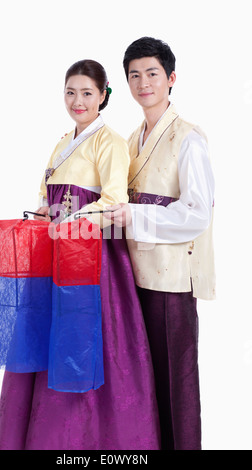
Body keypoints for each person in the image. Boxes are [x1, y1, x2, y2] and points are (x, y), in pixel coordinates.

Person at [0, 59, 160, 450]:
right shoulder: (61, 142)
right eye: (71, 92)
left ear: (103, 96)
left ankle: (97, 441)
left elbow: (113, 200)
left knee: (88, 339)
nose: (78, 101)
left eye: (87, 93)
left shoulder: (110, 142)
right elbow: (45, 195)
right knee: (50, 338)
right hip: (56, 256)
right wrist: (40, 215)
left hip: (93, 260)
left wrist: (68, 222)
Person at [104, 37, 216, 450]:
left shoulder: (188, 138)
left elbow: (198, 213)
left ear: (170, 79)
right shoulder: (131, 140)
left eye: (152, 73)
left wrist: (136, 216)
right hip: (130, 278)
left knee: (175, 388)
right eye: (134, 75)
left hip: (169, 283)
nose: (143, 82)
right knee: (139, 386)